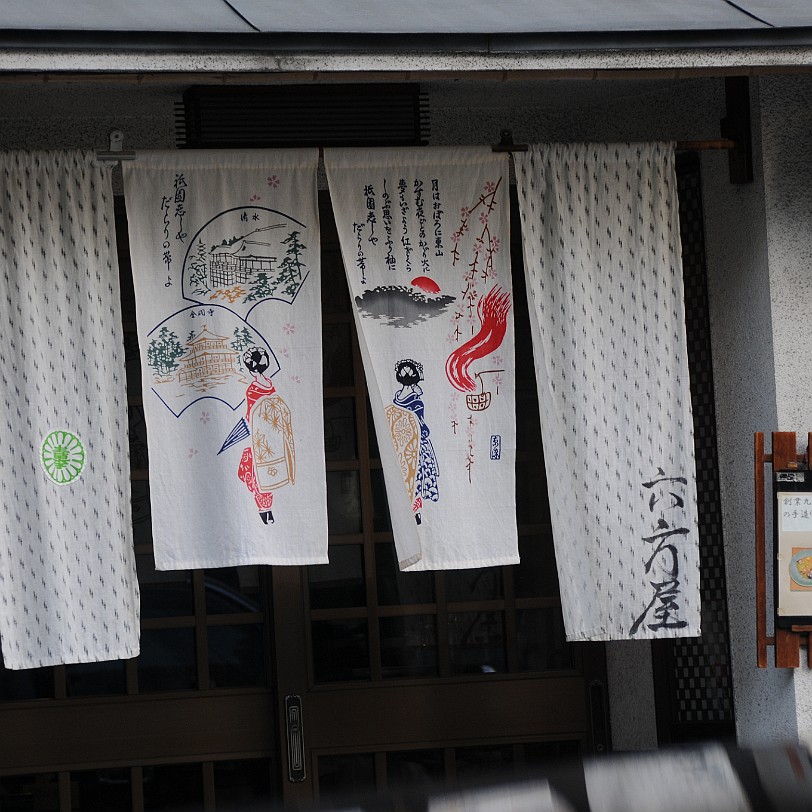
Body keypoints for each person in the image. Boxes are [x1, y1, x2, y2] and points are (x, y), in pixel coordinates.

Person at [237, 347, 295, 524]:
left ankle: (265, 510)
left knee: (253, 471)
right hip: (275, 435)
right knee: (260, 474)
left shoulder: (253, 389)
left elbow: (250, 415)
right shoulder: (270, 384)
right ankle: (266, 510)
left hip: (260, 437)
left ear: (252, 369)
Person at [389, 359, 439, 524]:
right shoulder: (416, 402)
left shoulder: (396, 399)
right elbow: (422, 427)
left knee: (405, 481)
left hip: (400, 447)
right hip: (416, 446)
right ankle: (418, 514)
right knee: (419, 479)